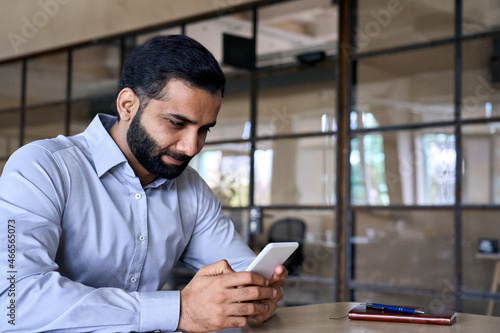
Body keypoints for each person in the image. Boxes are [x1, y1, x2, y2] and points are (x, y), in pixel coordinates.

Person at [0, 35, 287, 333]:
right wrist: (179, 310)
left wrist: (255, 296)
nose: (191, 147)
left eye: (203, 130)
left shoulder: (192, 189)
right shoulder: (41, 168)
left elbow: (242, 270)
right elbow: (13, 302)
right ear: (127, 105)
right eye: (177, 123)